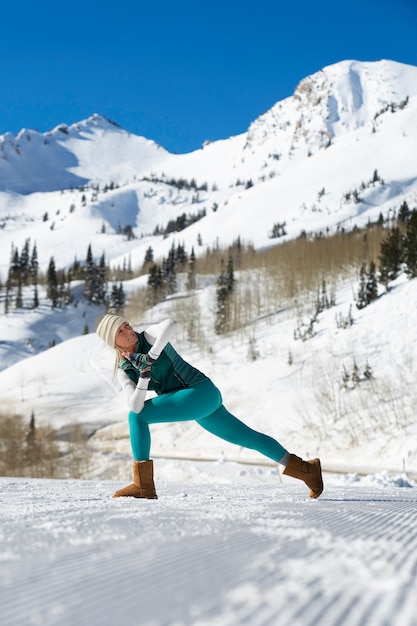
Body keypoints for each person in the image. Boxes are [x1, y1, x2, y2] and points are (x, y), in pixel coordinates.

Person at [96, 314, 323, 500]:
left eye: (126, 324)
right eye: (120, 332)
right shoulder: (126, 369)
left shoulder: (149, 335)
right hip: (198, 401)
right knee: (248, 438)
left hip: (199, 392)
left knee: (138, 418)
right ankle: (308, 471)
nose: (128, 330)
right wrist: (144, 374)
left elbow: (171, 324)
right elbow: (134, 404)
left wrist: (150, 356)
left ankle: (143, 486)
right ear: (114, 343)